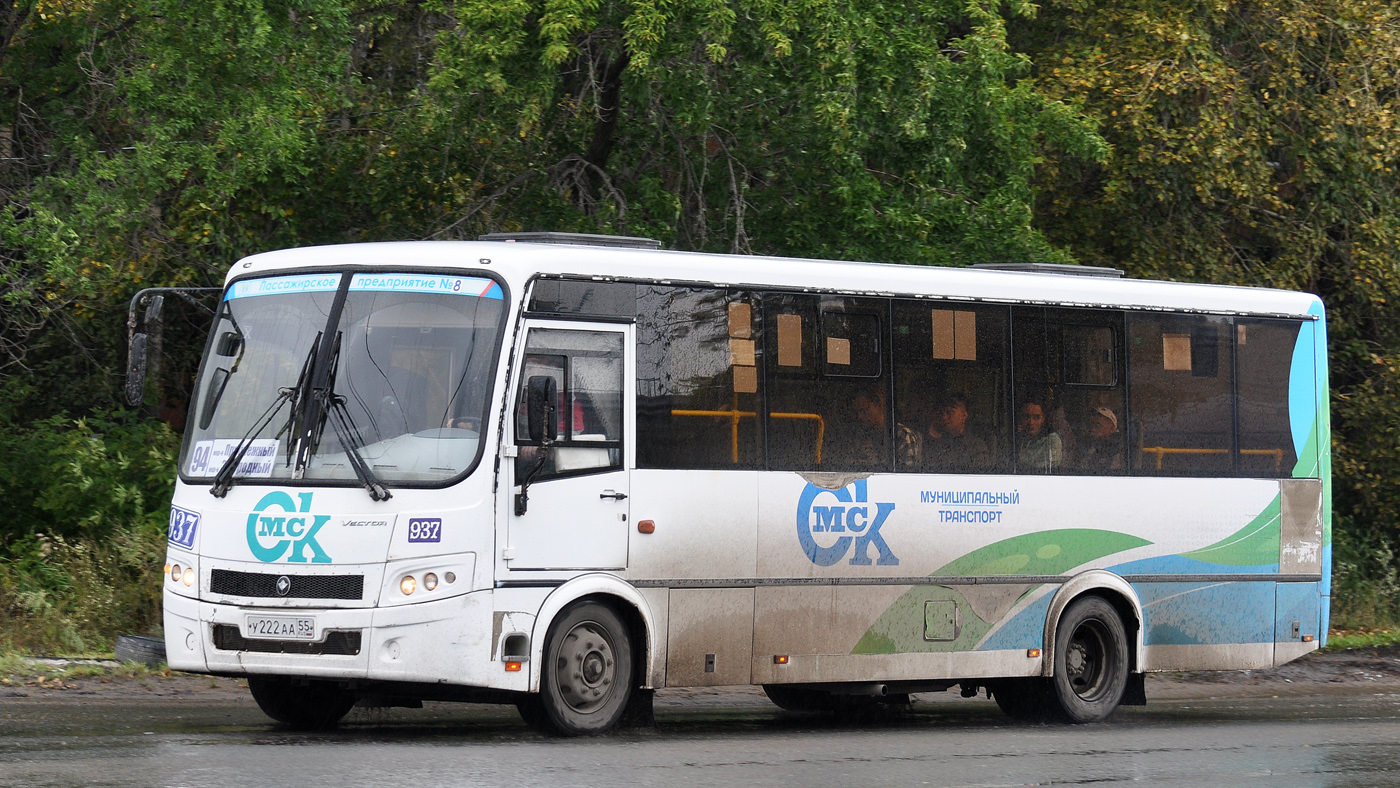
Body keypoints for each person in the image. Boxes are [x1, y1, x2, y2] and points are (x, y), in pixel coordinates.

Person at [923, 393, 993, 472]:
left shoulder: (975, 446)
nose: (944, 417)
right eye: (942, 413)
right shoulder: (936, 441)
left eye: (950, 412)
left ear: (963, 415)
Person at [1017, 400, 1062, 473]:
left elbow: (1044, 469)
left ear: (1042, 419)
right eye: (1026, 417)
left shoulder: (1051, 440)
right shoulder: (1019, 439)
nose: (1031, 422)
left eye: (1036, 417)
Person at [1076, 406, 1124, 473]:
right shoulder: (1088, 446)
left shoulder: (1119, 450)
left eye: (1097, 426)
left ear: (1111, 428)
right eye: (1090, 425)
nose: (1092, 429)